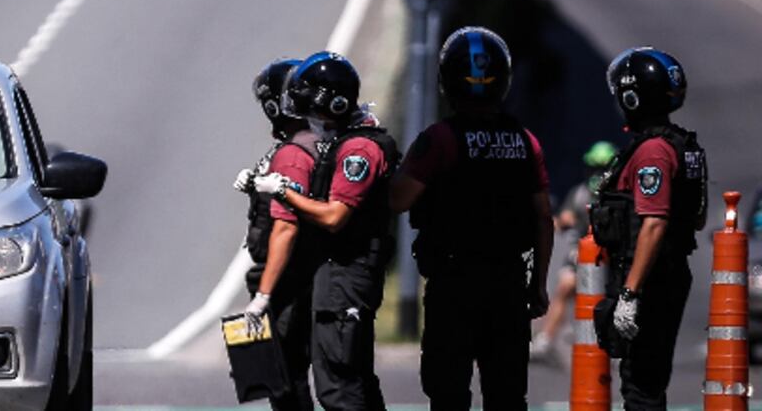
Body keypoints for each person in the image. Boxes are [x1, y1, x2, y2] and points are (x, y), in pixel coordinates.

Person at [389, 26, 555, 411]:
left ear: (447, 81)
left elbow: (398, 200)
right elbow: (544, 217)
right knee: (508, 393)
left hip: (454, 284)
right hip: (509, 282)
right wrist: (538, 284)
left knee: (447, 393)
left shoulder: (439, 140)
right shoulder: (525, 141)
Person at [257, 51, 396, 411]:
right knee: (340, 378)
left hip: (329, 278)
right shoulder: (332, 145)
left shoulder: (346, 150)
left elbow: (319, 221)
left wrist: (262, 294)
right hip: (327, 277)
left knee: (331, 384)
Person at [589, 47, 708, 411]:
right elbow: (697, 216)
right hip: (665, 274)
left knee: (640, 387)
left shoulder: (653, 151)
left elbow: (654, 223)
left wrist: (629, 295)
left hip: (650, 280)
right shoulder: (680, 145)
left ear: (632, 97)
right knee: (648, 382)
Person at [231, 58, 321, 411]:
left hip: (287, 279)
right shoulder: (310, 144)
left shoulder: (293, 153)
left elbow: (285, 225)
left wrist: (264, 295)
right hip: (295, 274)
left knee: (285, 379)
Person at [531, 140, 618, 361]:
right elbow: (564, 218)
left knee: (612, 298)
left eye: (603, 168)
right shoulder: (579, 193)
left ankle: (611, 344)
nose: (598, 173)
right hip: (581, 252)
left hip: (611, 255)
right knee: (565, 286)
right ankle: (546, 339)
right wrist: (554, 222)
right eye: (594, 168)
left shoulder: (619, 195)